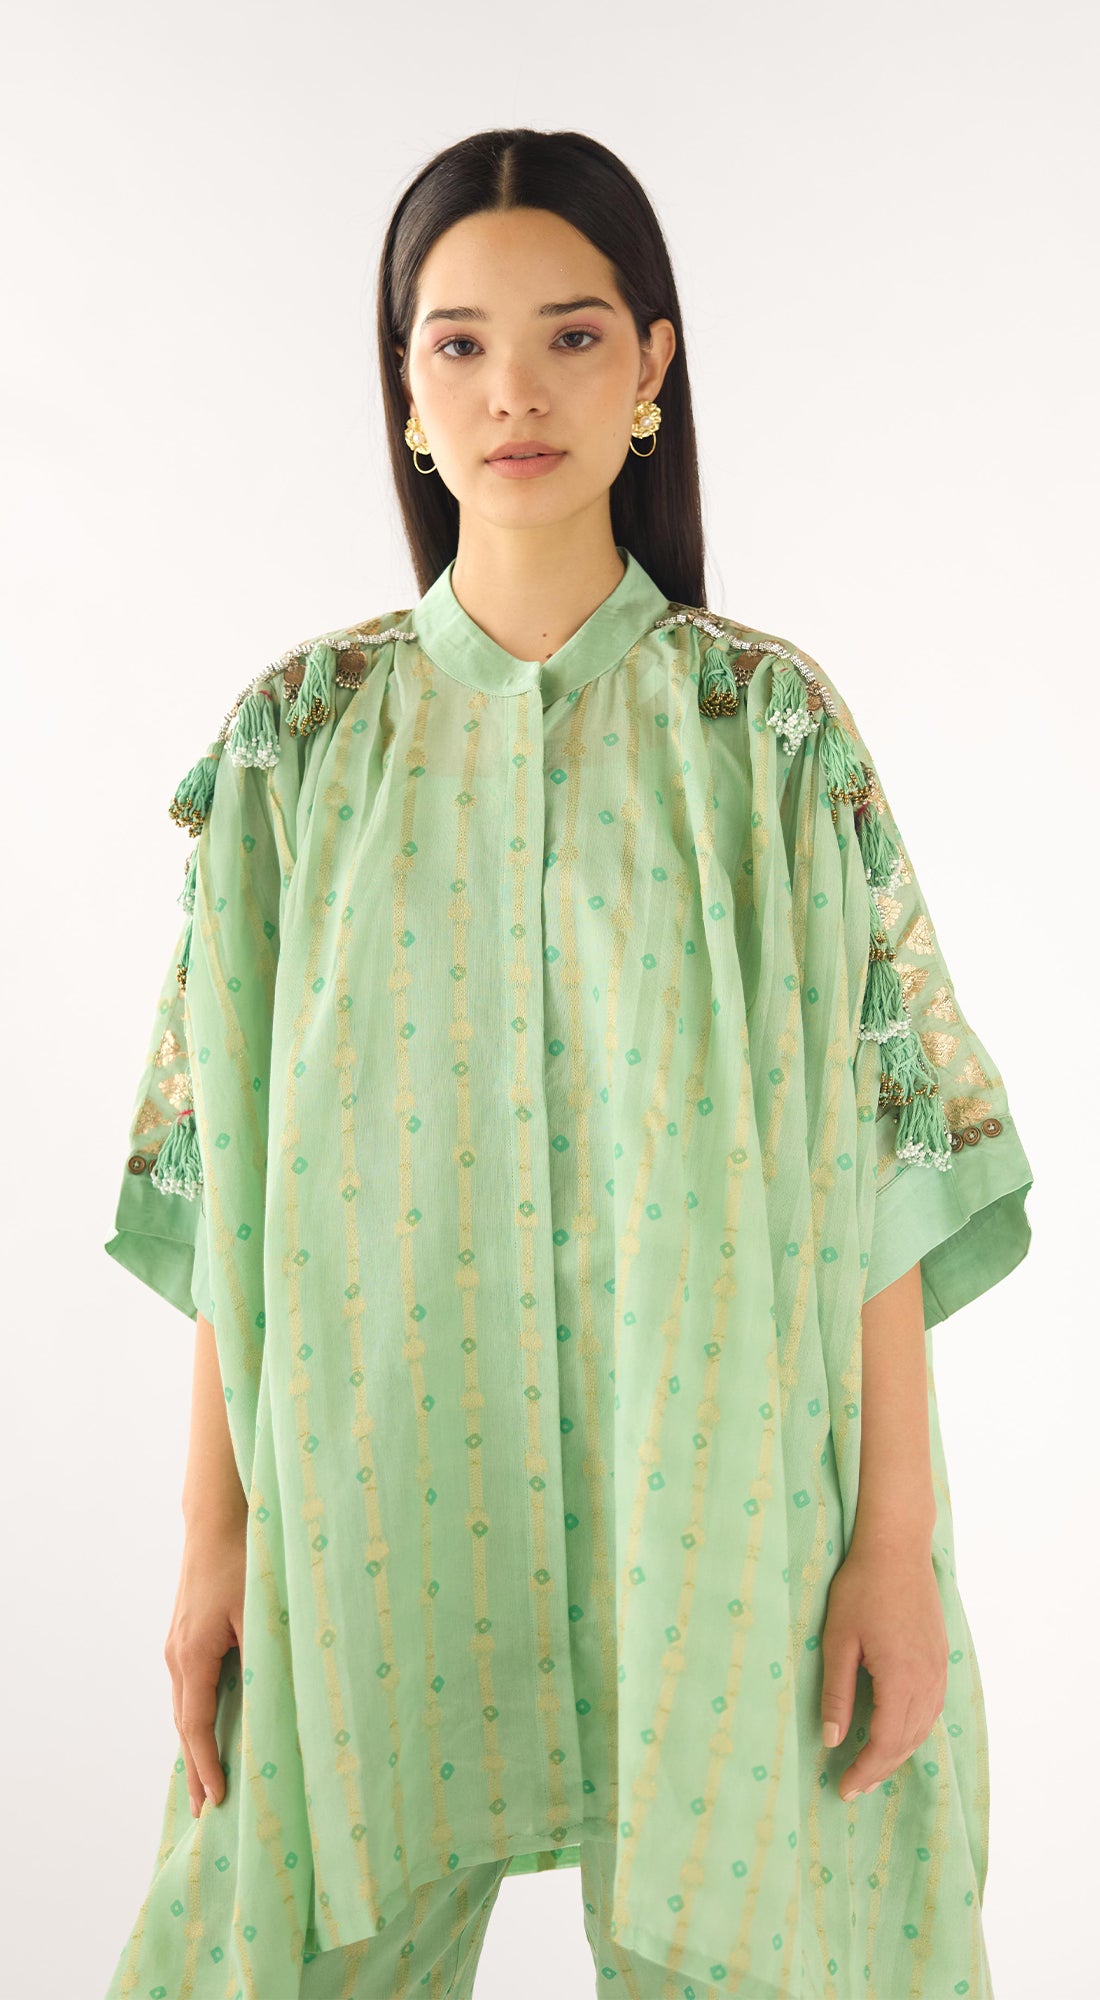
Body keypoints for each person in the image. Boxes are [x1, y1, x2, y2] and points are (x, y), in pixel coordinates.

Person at [101, 128, 1034, 2000]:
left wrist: (894, 1550)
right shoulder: (297, 752)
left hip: (724, 1510)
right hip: (374, 1504)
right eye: (458, 344)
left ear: (652, 367)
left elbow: (884, 1160)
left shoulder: (764, 737)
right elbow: (224, 1191)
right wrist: (213, 1544)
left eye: (572, 336)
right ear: (406, 387)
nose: (513, 390)